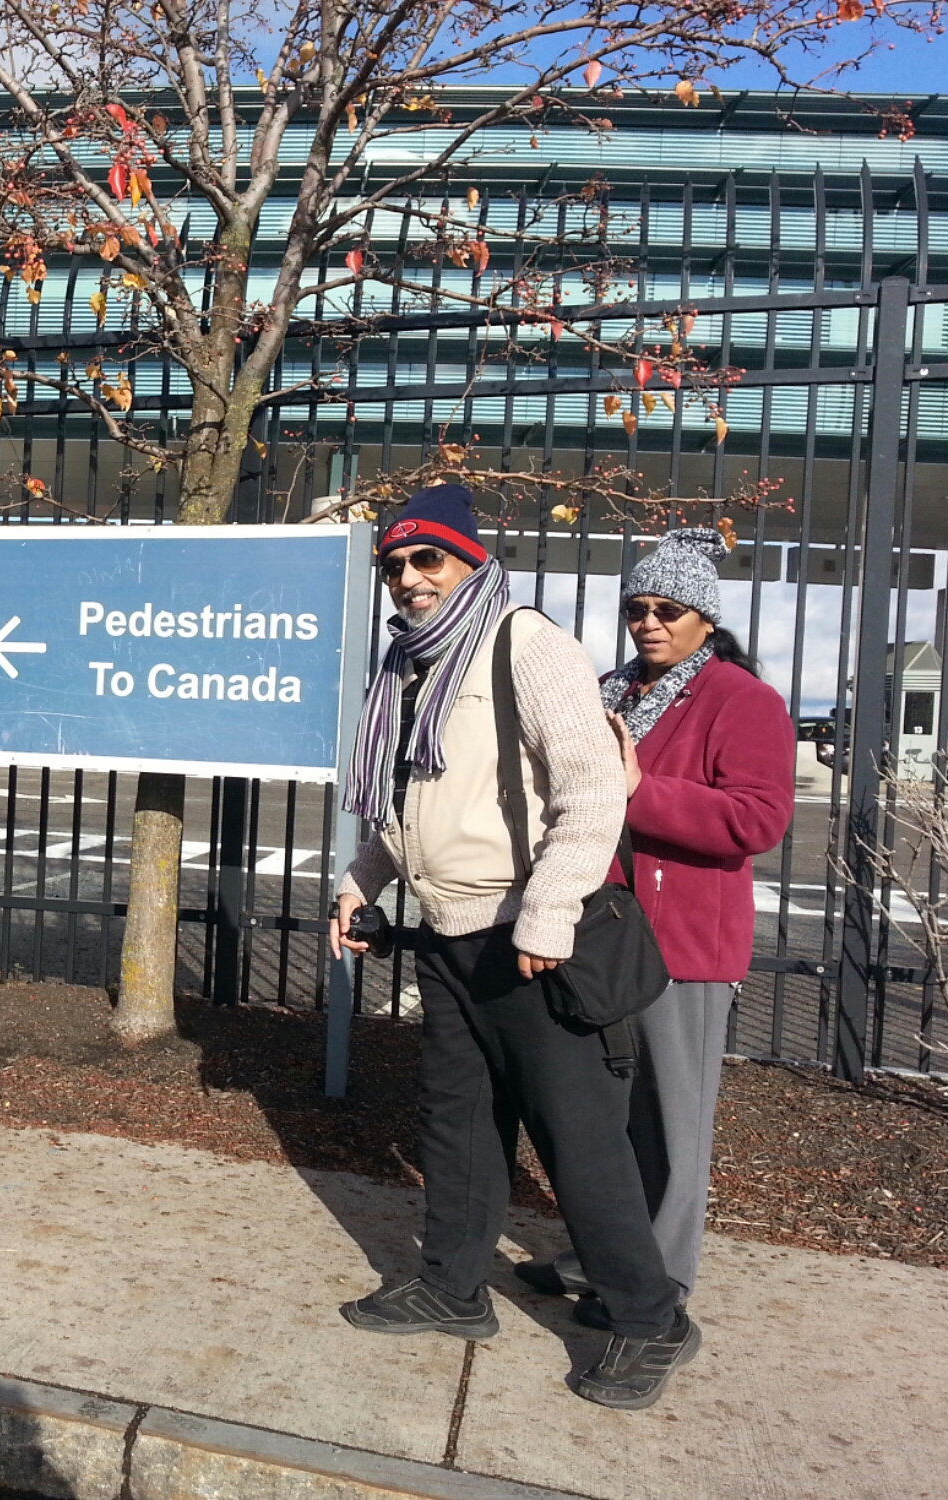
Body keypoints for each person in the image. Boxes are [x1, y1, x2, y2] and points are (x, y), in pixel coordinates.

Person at [329, 484, 695, 1411]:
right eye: (394, 565)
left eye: (428, 559)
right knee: (455, 1123)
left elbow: (592, 789)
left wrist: (548, 913)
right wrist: (363, 878)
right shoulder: (413, 662)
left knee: (578, 1139)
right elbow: (415, 800)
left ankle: (649, 1316)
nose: (408, 578)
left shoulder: (526, 646)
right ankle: (452, 1288)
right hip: (452, 935)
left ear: (471, 562)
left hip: (533, 939)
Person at [515, 528, 795, 1325]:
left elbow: (758, 819)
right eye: (636, 608)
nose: (648, 622)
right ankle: (607, 1254)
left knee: (671, 1122)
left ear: (705, 616)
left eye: (668, 609)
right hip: (600, 933)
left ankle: (659, 1286)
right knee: (602, 1115)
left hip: (683, 945)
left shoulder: (742, 699)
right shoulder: (611, 689)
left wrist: (638, 790)